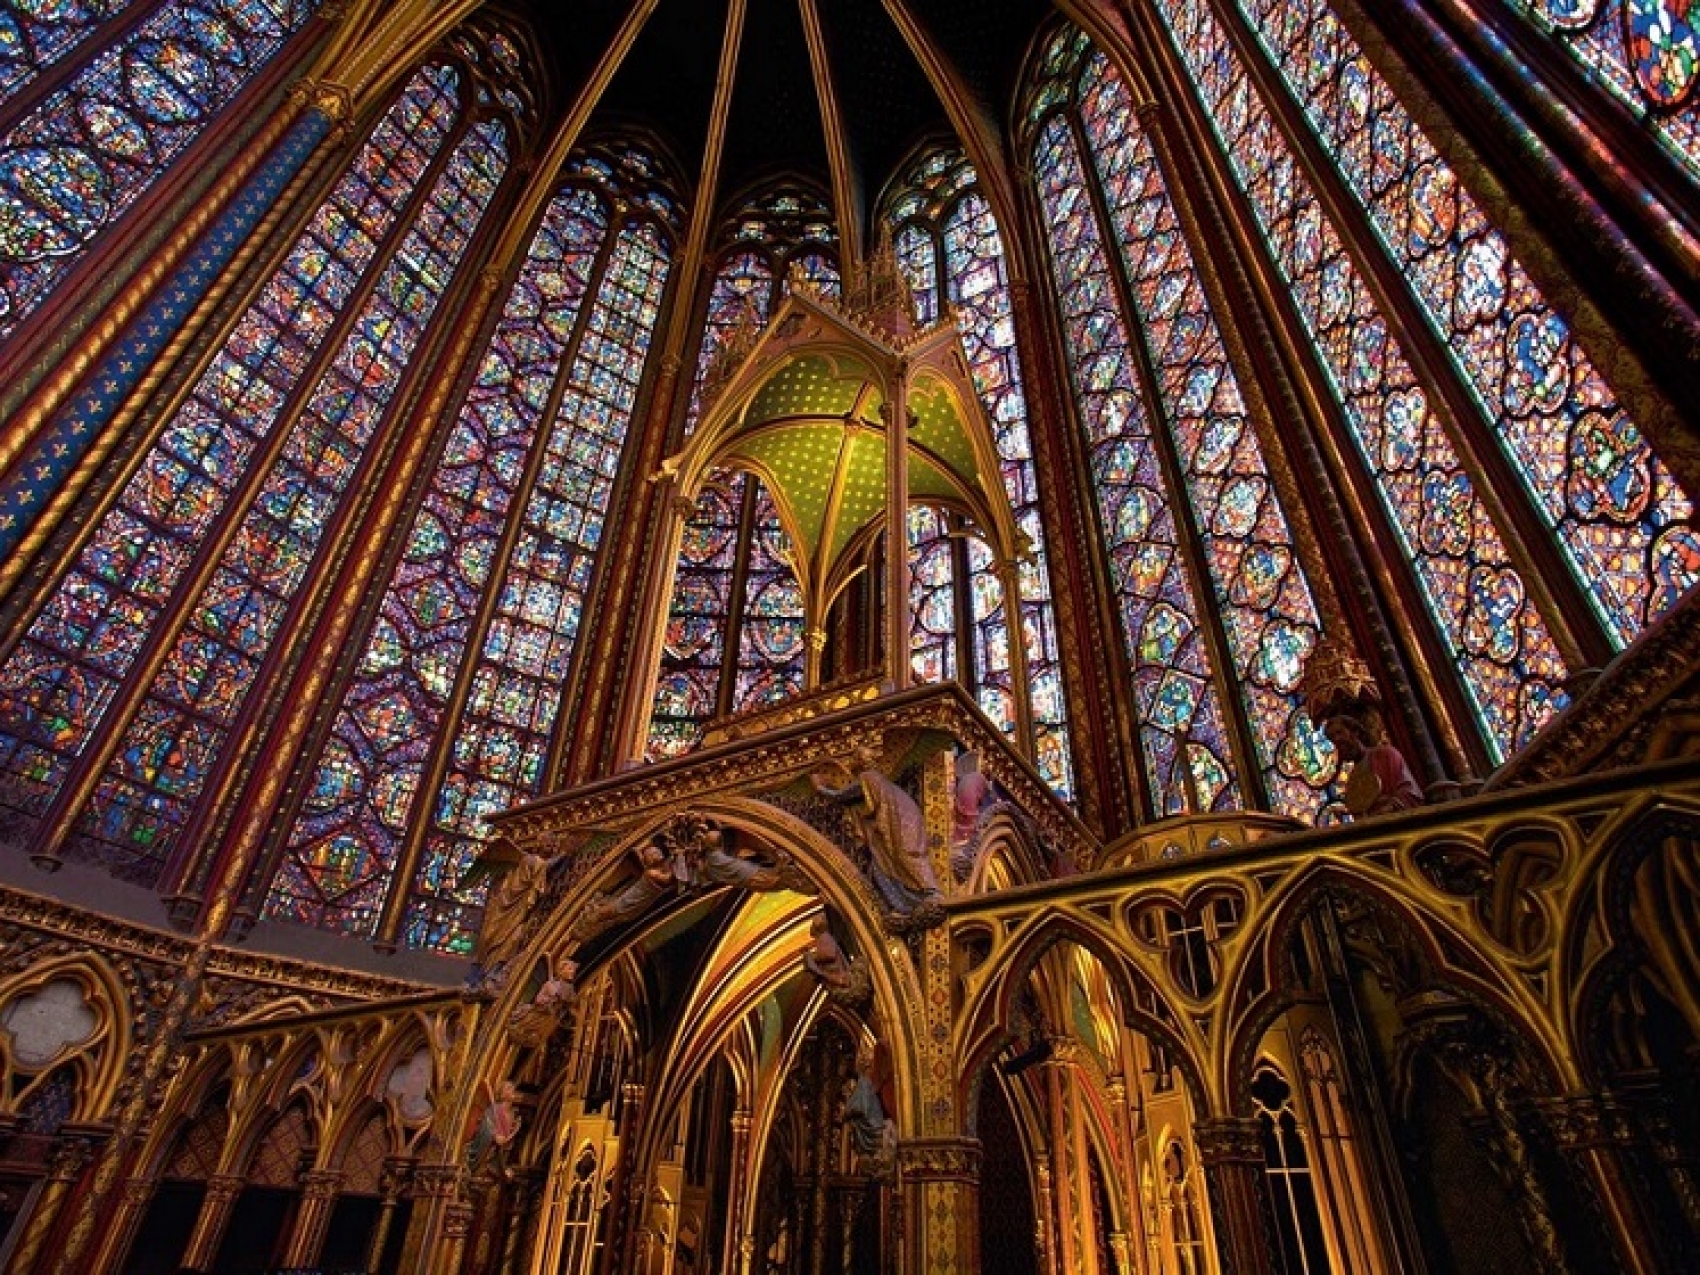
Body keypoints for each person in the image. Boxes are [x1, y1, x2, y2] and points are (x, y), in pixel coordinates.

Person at [813, 746, 941, 919]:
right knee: (881, 867)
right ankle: (904, 905)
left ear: (862, 761)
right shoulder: (876, 780)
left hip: (897, 821)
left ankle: (931, 893)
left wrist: (820, 788)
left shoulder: (868, 777)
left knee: (906, 855)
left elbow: (842, 795)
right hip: (897, 821)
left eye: (856, 758)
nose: (853, 762)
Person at [1323, 711, 1422, 817]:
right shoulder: (1353, 778)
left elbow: (1410, 792)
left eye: (1339, 733)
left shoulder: (1386, 755)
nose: (1337, 739)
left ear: (1355, 732)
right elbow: (1363, 809)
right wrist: (1348, 812)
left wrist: (1390, 806)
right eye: (1332, 738)